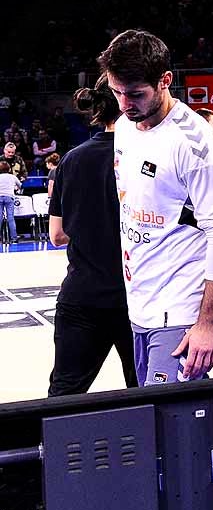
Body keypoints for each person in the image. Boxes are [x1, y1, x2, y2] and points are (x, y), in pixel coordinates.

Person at [104, 30, 213, 386]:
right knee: (151, 424)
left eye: (135, 94)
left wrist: (208, 323)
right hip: (139, 306)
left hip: (180, 310)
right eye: (117, 92)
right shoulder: (125, 129)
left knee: (170, 429)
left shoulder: (195, 144)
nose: (124, 104)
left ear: (165, 81)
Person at [46, 77, 137, 394]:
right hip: (138, 298)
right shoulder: (145, 158)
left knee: (65, 395)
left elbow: (57, 235)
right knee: (150, 394)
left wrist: (90, 225)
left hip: (83, 297)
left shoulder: (70, 160)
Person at [0, 160, 16, 244]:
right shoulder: (12, 177)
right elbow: (19, 185)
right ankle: (14, 238)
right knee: (10, 217)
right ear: (9, 169)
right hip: (9, 197)